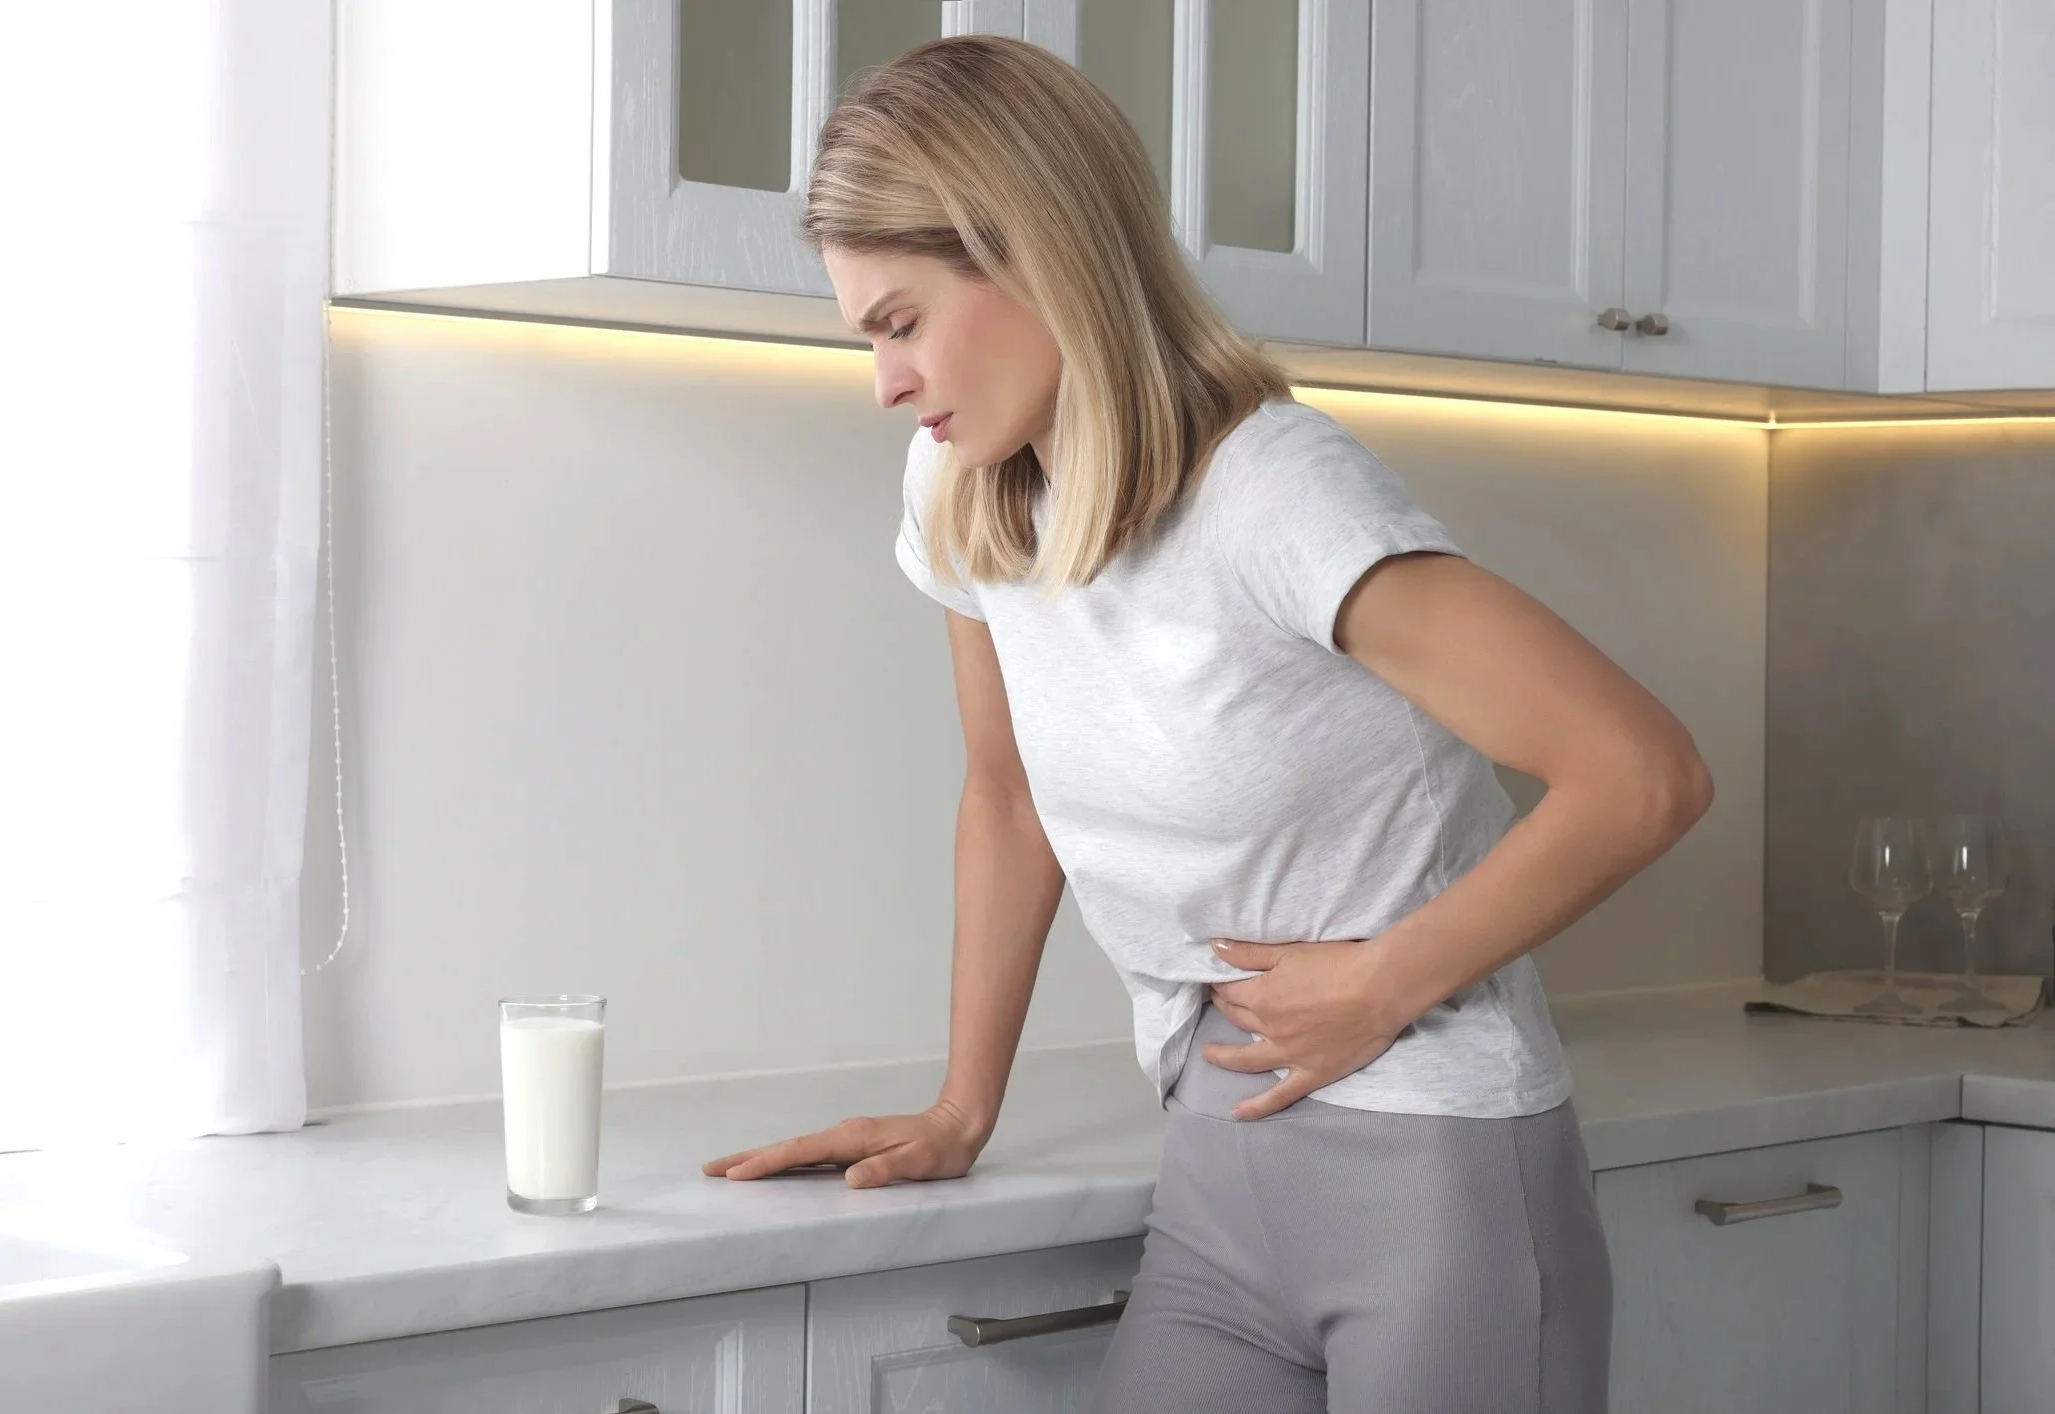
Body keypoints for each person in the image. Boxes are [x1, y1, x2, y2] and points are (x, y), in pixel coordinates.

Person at [701, 35, 1712, 1413]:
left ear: (1037, 252)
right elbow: (1006, 798)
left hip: (1439, 1182)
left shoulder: (1274, 492)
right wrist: (960, 1105)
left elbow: (1641, 772)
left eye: (901, 321)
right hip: (1218, 1184)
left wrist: (1382, 981)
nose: (885, 380)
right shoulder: (963, 487)